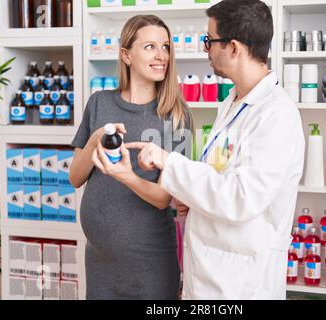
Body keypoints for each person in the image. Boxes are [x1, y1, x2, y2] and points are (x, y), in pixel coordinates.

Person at [124, 0, 305, 299]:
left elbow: (241, 197)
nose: (206, 49)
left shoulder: (276, 114)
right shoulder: (233, 103)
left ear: (233, 48)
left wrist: (170, 164)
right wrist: (190, 197)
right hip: (211, 276)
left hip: (243, 285)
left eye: (209, 41)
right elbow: (221, 174)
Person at [69, 15, 192, 300]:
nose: (162, 55)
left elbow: (164, 197)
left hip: (150, 263)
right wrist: (97, 137)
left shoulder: (175, 115)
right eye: (150, 47)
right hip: (99, 261)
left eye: (165, 46)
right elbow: (75, 177)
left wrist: (124, 175)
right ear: (126, 55)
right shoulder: (99, 102)